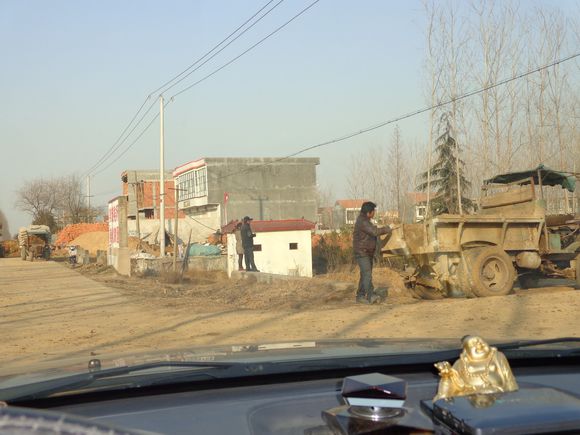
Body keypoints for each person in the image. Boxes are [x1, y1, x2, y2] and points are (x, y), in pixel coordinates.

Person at [353, 201, 391, 304]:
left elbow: (373, 231)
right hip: (362, 252)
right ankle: (371, 296)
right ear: (369, 212)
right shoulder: (363, 222)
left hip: (366, 252)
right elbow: (375, 232)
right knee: (367, 275)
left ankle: (360, 296)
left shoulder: (365, 220)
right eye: (373, 211)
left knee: (364, 274)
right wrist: (387, 229)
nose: (374, 213)